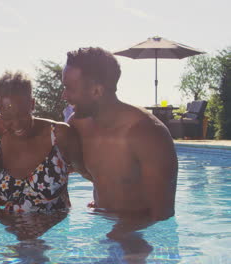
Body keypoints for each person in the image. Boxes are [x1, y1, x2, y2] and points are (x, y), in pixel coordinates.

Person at [61, 47, 178, 221]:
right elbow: (98, 172)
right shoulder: (78, 125)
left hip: (138, 237)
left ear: (96, 91)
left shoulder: (148, 135)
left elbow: (162, 215)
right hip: (101, 222)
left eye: (70, 89)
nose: (64, 96)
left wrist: (123, 235)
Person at [0, 71, 87, 213]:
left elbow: (87, 173)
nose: (16, 124)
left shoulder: (59, 134)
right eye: (8, 117)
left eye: (22, 115)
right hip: (9, 233)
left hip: (56, 234)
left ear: (32, 104)